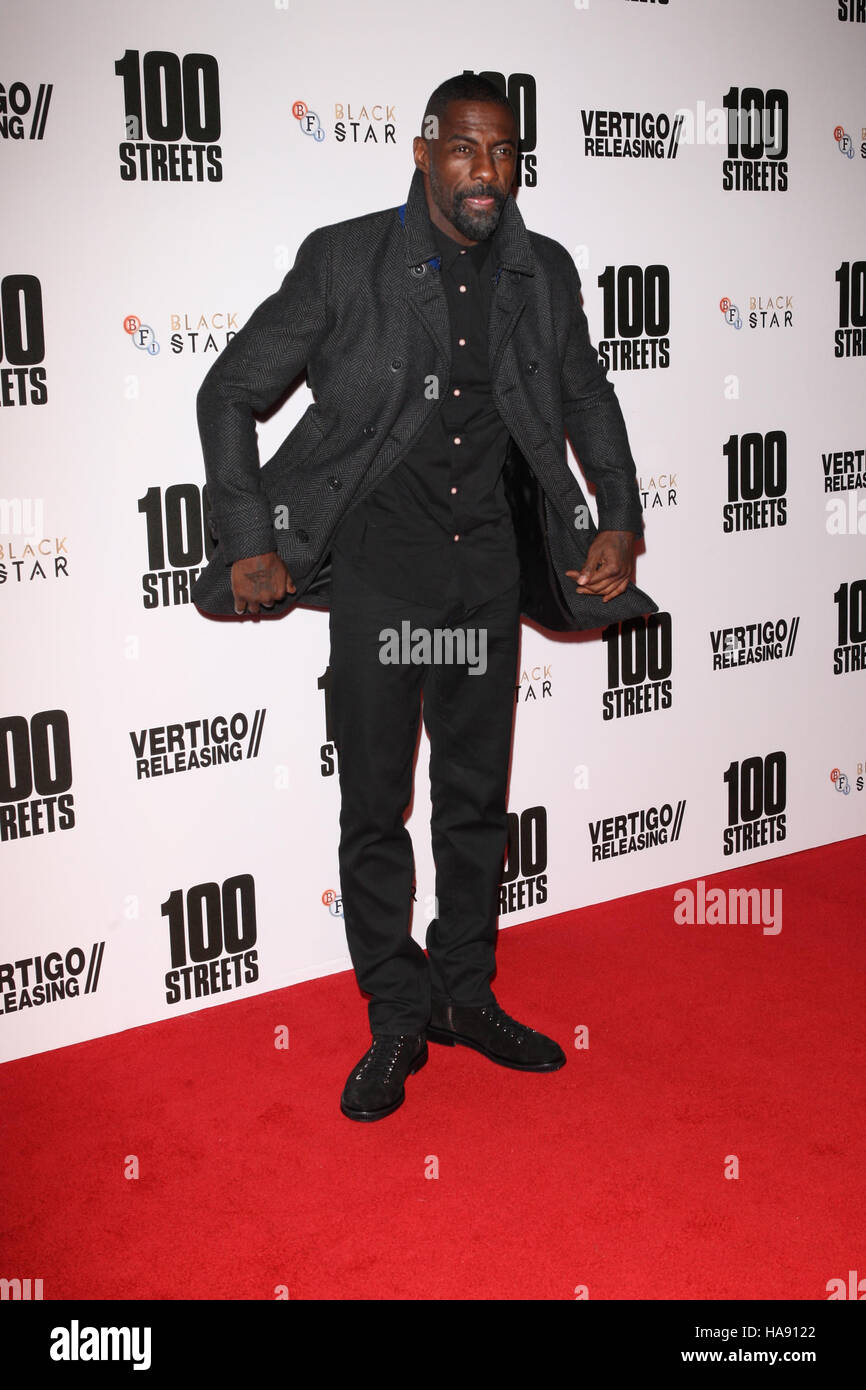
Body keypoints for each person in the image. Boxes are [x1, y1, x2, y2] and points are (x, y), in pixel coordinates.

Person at [194, 74, 654, 1123]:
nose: (484, 173)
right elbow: (229, 389)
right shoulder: (345, 258)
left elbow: (584, 388)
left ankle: (465, 995)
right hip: (378, 574)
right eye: (464, 150)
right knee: (373, 807)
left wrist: (617, 513)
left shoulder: (542, 271)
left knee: (474, 803)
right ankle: (394, 1015)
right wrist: (248, 537)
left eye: (502, 153)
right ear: (421, 150)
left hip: (487, 568)